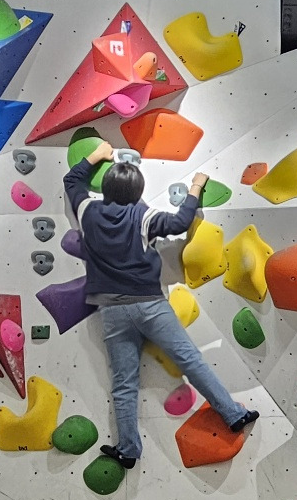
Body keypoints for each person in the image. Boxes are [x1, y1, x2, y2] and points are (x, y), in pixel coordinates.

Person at [64, 141, 257, 469]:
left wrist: (97, 156)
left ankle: (128, 449)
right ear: (138, 190)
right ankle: (233, 414)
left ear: (106, 188)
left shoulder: (88, 212)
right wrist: (196, 186)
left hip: (112, 311)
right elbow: (181, 222)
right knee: (190, 360)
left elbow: (72, 181)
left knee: (124, 383)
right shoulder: (143, 215)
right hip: (150, 305)